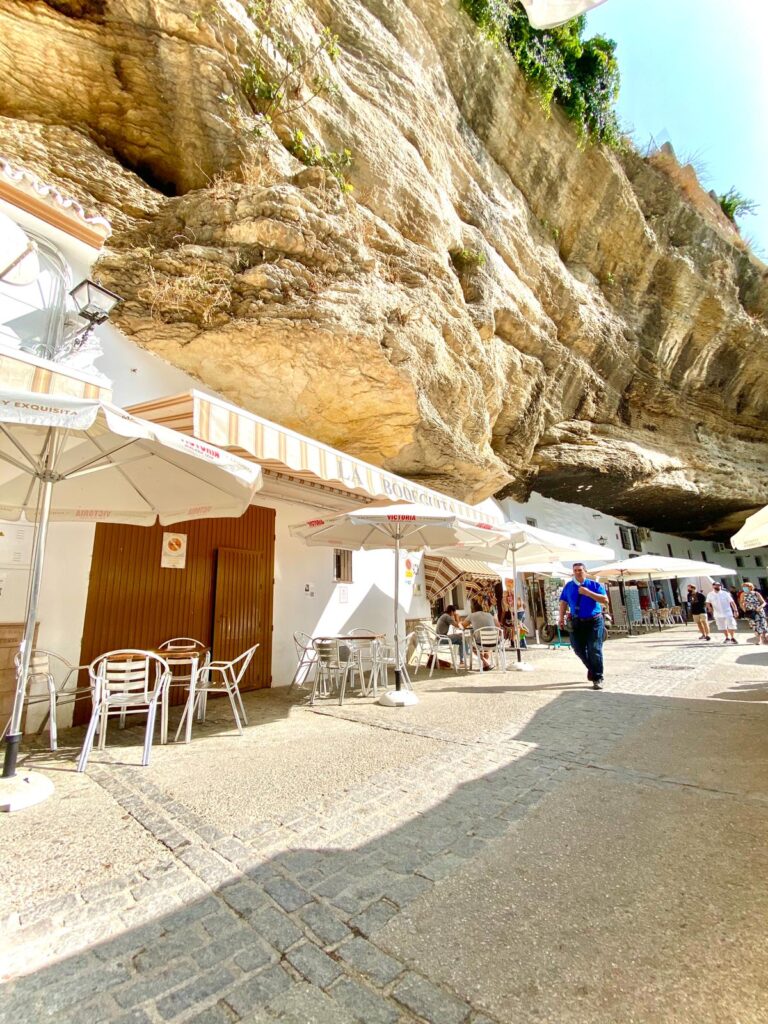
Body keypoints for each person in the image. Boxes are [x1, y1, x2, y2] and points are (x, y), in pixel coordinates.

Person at [558, 563, 609, 689]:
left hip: (594, 621)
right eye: (575, 570)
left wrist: (588, 593)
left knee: (594, 648)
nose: (577, 572)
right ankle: (592, 669)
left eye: (580, 570)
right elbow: (563, 603)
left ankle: (597, 677)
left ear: (585, 571)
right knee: (578, 649)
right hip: (576, 622)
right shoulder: (569, 586)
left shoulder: (594, 585)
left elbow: (605, 600)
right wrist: (561, 618)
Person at [462, 600, 500, 670]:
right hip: (494, 642)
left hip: (481, 643)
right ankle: (485, 665)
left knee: (471, 644)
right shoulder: (489, 615)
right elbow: (498, 626)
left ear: (473, 610)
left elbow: (463, 625)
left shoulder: (472, 615)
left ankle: (485, 661)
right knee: (487, 643)